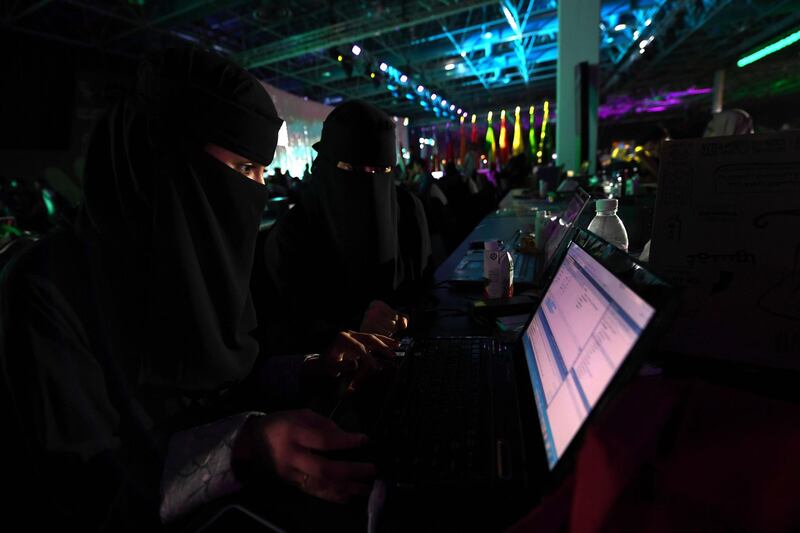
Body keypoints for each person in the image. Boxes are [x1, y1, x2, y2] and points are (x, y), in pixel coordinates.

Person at [0, 47, 396, 530]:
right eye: (241, 169)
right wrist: (243, 448)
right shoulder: (48, 291)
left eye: (260, 173)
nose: (252, 190)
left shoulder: (204, 263)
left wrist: (311, 369)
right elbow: (83, 492)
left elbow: (225, 381)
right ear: (167, 159)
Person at [255, 100, 432, 355]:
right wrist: (347, 328)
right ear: (326, 166)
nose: (370, 183)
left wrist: (406, 316)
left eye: (381, 170)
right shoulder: (293, 234)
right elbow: (284, 330)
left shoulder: (409, 212)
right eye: (351, 169)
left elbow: (428, 289)